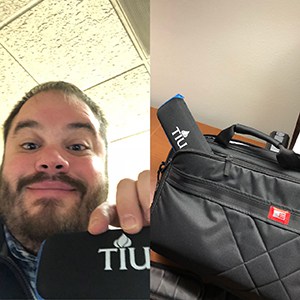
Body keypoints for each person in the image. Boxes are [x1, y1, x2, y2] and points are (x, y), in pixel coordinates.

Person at [0, 81, 150, 299]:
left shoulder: (141, 262)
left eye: (77, 146)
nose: (51, 160)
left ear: (106, 172)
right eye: (30, 145)